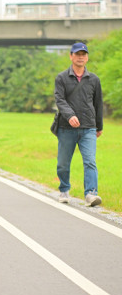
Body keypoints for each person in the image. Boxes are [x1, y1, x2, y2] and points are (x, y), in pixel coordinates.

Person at [54, 42, 103, 207]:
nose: (81, 57)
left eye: (83, 54)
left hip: (88, 127)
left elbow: (98, 104)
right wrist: (70, 116)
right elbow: (60, 100)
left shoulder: (94, 79)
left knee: (90, 161)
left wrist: (99, 126)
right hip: (66, 128)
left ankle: (91, 194)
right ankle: (64, 190)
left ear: (87, 57)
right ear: (71, 56)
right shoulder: (61, 78)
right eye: (77, 54)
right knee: (63, 163)